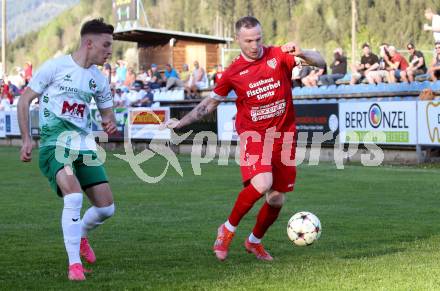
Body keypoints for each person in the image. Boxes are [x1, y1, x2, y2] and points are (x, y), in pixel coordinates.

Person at [163, 16, 325, 261]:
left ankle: (253, 242)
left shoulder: (278, 55)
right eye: (248, 40)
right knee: (261, 183)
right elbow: (208, 105)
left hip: (283, 137)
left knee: (276, 199)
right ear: (238, 39)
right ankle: (226, 229)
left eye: (258, 38)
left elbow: (320, 62)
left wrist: (303, 54)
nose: (254, 44)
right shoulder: (233, 72)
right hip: (254, 136)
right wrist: (181, 124)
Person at [17, 18, 117, 281]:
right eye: (106, 45)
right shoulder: (55, 67)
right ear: (89, 43)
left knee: (106, 209)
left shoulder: (98, 79)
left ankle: (81, 234)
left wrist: (110, 121)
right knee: (74, 197)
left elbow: (108, 112)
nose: (109, 51)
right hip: (54, 145)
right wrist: (27, 138)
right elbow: (25, 100)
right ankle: (74, 266)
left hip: (84, 147)